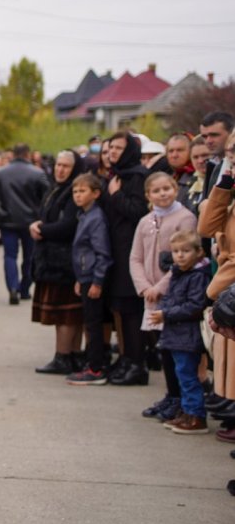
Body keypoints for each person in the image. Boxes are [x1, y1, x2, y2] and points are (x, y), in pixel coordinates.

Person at [129, 171, 197, 419]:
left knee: (176, 350)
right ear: (148, 195)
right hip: (151, 296)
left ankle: (181, 398)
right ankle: (171, 395)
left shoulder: (185, 218)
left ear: (175, 189)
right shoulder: (145, 221)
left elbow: (185, 257)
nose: (162, 194)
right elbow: (135, 257)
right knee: (162, 347)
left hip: (173, 294)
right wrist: (144, 286)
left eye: (166, 189)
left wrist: (160, 287)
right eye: (156, 191)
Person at [30, 150, 88, 375]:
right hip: (53, 260)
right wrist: (38, 224)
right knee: (66, 313)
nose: (60, 170)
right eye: (58, 165)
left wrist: (42, 229)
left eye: (66, 166)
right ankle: (70, 355)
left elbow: (69, 226)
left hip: (66, 262)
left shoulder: (74, 190)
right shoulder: (56, 188)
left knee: (66, 313)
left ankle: (64, 356)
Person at [102, 132, 152, 386]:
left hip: (131, 251)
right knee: (120, 308)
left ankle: (136, 364)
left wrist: (115, 195)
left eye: (119, 148)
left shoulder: (137, 176)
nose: (112, 152)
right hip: (116, 250)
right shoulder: (118, 175)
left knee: (132, 309)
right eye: (111, 147)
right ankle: (125, 358)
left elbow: (138, 211)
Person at [153, 231, 212, 433]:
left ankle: (196, 416)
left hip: (188, 335)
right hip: (176, 334)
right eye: (176, 251)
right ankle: (187, 412)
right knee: (182, 375)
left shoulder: (198, 276)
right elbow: (171, 298)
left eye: (185, 251)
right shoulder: (178, 273)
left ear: (199, 252)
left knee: (188, 377)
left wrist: (166, 314)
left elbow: (195, 306)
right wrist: (164, 309)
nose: (180, 255)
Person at [198, 139, 235, 430]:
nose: (231, 158)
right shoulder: (229, 189)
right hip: (226, 288)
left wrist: (212, 291)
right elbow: (206, 227)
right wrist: (223, 187)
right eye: (231, 152)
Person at [66, 173, 114, 385]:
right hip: (86, 276)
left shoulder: (96, 218)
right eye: (75, 191)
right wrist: (81, 278)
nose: (78, 195)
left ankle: (95, 369)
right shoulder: (84, 215)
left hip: (93, 278)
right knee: (90, 322)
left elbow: (102, 253)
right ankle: (92, 363)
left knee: (93, 324)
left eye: (82, 191)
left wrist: (97, 281)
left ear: (95, 193)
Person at [0, 143, 50, 305]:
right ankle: (24, 288)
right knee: (30, 256)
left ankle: (13, 288)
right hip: (31, 221)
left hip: (7, 221)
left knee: (10, 255)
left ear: (14, 154)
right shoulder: (38, 173)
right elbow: (47, 198)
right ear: (27, 154)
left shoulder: (0, 173)